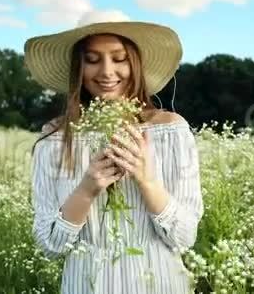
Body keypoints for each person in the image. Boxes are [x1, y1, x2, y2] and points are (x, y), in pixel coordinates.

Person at [26, 17, 204, 294]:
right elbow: (50, 246)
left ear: (135, 63)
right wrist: (87, 189)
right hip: (85, 285)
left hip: (159, 283)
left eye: (119, 59)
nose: (107, 72)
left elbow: (184, 238)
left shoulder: (170, 131)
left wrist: (147, 181)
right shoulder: (56, 138)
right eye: (93, 59)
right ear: (78, 67)